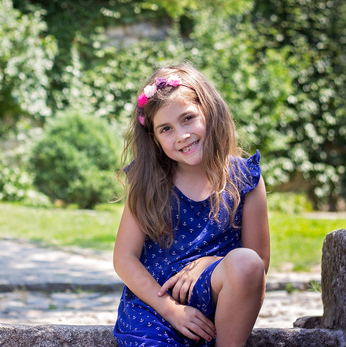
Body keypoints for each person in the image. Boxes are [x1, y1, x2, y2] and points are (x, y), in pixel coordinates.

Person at [113, 62, 270, 347]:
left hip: (218, 307)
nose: (182, 135)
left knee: (246, 261)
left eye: (187, 118)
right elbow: (124, 258)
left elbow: (258, 264)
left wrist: (212, 262)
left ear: (209, 111)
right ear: (155, 139)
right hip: (155, 310)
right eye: (166, 129)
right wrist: (171, 311)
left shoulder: (245, 178)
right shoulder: (149, 181)